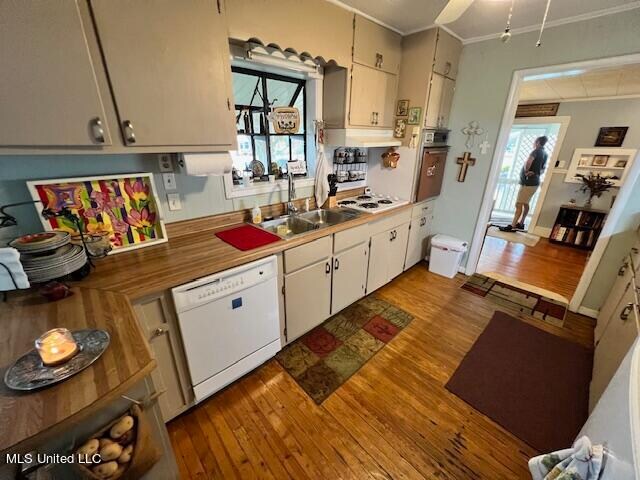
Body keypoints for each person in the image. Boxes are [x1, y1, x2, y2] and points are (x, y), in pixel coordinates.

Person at [500, 136, 548, 232]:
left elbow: (529, 161)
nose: (533, 143)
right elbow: (543, 169)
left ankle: (512, 226)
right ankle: (521, 223)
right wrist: (536, 173)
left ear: (538, 142)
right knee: (525, 203)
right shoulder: (545, 153)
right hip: (534, 183)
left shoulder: (536, 151)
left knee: (518, 204)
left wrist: (526, 171)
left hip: (528, 183)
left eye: (535, 141)